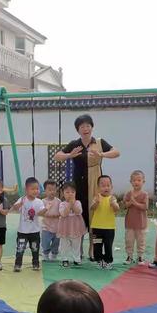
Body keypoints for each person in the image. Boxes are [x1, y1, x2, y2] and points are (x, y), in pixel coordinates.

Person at [54, 115, 120, 257]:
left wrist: (101, 154)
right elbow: (57, 156)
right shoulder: (74, 144)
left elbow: (116, 152)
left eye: (88, 126)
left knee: (94, 213)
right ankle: (78, 249)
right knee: (79, 213)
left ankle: (92, 249)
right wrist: (69, 155)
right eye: (82, 126)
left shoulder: (99, 142)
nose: (85, 129)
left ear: (92, 127)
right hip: (78, 183)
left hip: (95, 181)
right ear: (78, 130)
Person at [12, 177, 48, 272]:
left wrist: (46, 208)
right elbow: (14, 208)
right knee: (20, 248)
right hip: (22, 231)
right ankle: (17, 264)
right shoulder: (22, 199)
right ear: (26, 190)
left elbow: (41, 213)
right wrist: (20, 204)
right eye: (33, 189)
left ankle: (35, 263)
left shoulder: (39, 202)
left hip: (34, 231)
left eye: (37, 188)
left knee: (35, 248)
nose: (35, 191)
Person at [90, 175, 120, 269]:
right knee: (97, 245)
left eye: (108, 185)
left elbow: (117, 209)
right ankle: (99, 260)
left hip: (109, 228)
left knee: (108, 245)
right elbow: (92, 208)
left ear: (111, 187)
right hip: (97, 228)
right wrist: (97, 202)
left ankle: (108, 261)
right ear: (98, 188)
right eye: (103, 185)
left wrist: (113, 204)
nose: (106, 187)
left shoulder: (112, 198)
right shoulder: (96, 197)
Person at [57, 182, 87, 267]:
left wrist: (72, 204)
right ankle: (64, 259)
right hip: (65, 227)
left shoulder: (78, 202)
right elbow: (63, 214)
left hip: (76, 227)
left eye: (72, 192)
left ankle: (76, 259)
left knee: (76, 243)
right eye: (67, 192)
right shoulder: (62, 204)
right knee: (64, 244)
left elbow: (78, 212)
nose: (70, 194)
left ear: (75, 193)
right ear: (63, 193)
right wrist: (69, 204)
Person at [123, 170, 149, 265]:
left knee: (141, 241)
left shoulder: (145, 194)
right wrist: (130, 202)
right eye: (134, 180)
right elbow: (124, 206)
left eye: (139, 180)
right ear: (131, 182)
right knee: (129, 241)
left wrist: (135, 203)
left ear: (143, 182)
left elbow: (145, 207)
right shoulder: (128, 194)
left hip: (141, 224)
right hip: (130, 223)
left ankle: (140, 257)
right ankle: (129, 256)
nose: (136, 182)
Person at [41, 180, 61, 262]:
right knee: (45, 242)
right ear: (45, 190)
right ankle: (45, 254)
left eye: (54, 189)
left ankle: (54, 254)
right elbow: (41, 213)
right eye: (49, 190)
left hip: (57, 227)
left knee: (56, 242)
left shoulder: (58, 201)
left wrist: (58, 215)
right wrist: (49, 215)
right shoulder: (43, 201)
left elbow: (61, 212)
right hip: (46, 227)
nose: (52, 192)